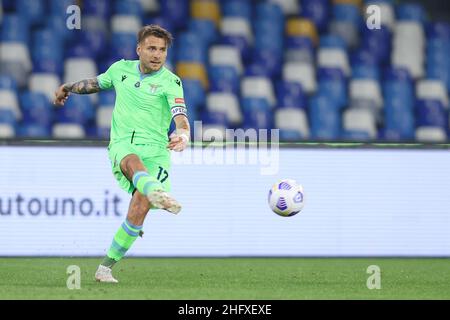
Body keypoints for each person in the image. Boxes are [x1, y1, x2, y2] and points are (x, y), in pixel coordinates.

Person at [53, 25, 190, 283]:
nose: (157, 54)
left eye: (162, 50)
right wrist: (68, 87)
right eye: (151, 48)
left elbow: (180, 117)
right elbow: (95, 83)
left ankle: (105, 268)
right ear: (139, 49)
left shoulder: (172, 82)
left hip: (157, 153)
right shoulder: (120, 70)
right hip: (124, 144)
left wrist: (182, 136)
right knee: (133, 162)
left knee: (139, 208)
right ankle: (154, 190)